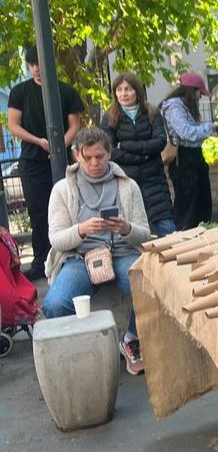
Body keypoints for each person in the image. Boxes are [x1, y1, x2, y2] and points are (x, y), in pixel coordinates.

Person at [41, 127, 150, 375]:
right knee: (55, 304)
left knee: (146, 285)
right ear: (76, 155)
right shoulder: (62, 189)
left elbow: (144, 232)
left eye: (100, 157)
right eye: (87, 157)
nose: (94, 163)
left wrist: (126, 228)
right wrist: (81, 229)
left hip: (121, 252)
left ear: (109, 154)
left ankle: (131, 339)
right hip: (79, 257)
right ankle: (86, 347)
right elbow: (56, 239)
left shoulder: (128, 185)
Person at [6, 47, 84, 281]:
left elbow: (74, 125)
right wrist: (39, 142)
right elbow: (13, 124)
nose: (36, 68)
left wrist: (58, 146)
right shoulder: (20, 91)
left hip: (60, 160)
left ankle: (72, 255)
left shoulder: (66, 91)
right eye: (32, 64)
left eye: (39, 62)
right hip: (31, 160)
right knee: (38, 212)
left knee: (69, 207)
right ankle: (41, 261)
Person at [100, 72, 176, 236]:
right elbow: (110, 151)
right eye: (119, 90)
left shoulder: (152, 112)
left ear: (137, 91)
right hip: (126, 180)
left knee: (167, 229)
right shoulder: (109, 117)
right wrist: (143, 156)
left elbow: (159, 142)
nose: (123, 94)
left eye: (128, 89)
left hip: (154, 181)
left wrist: (126, 145)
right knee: (134, 233)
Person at [160, 72, 218, 229]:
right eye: (199, 92)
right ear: (191, 91)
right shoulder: (174, 106)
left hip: (194, 157)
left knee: (202, 203)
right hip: (183, 160)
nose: (200, 97)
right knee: (188, 207)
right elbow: (187, 133)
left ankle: (202, 235)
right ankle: (185, 240)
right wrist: (212, 127)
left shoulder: (184, 106)